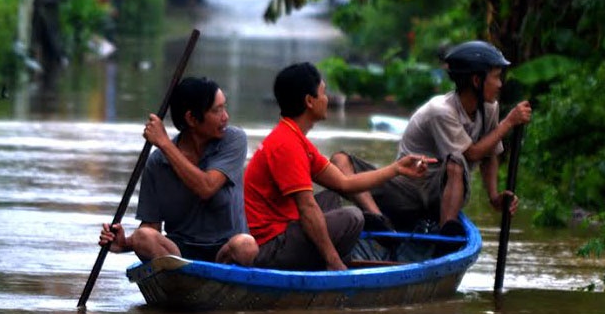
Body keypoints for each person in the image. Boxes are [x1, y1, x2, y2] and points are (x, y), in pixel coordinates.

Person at [330, 40, 533, 239]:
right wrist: (508, 123)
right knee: (340, 160)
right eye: (496, 77)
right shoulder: (441, 111)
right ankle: (379, 218)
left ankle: (446, 230)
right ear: (477, 81)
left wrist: (494, 197)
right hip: (407, 191)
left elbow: (488, 155)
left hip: (443, 193)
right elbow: (472, 153)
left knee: (455, 161)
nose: (500, 84)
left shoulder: (490, 108)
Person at [244, 62, 431, 271]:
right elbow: (307, 208)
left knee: (332, 197)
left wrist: (396, 169)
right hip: (270, 248)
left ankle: (328, 256)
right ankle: (328, 261)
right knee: (352, 217)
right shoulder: (287, 144)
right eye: (323, 93)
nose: (326, 99)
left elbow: (345, 183)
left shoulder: (294, 137)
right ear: (309, 101)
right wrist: (333, 260)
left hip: (284, 230)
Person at [99, 77, 258, 266]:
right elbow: (151, 227)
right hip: (179, 254)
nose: (226, 117)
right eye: (217, 110)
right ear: (191, 118)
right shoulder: (157, 162)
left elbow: (206, 187)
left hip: (224, 251)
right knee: (143, 236)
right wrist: (124, 243)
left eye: (224, 107)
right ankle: (182, 279)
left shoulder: (233, 140)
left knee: (246, 245)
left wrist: (165, 143)